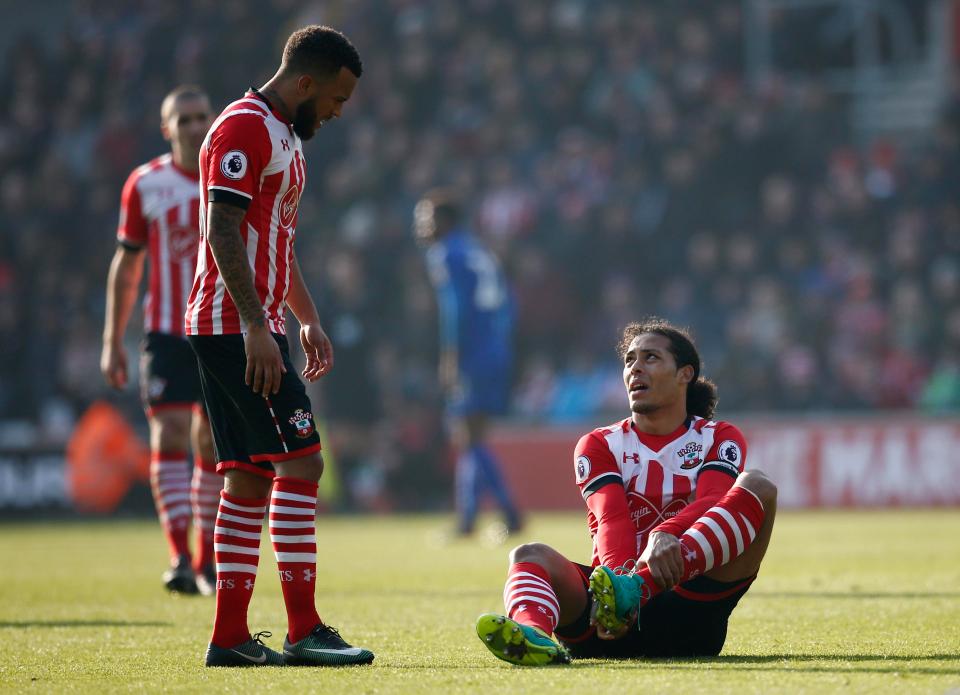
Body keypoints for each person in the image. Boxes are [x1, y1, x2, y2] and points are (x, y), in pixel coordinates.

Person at [184, 25, 373, 667]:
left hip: (245, 327)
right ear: (304, 83)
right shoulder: (244, 127)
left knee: (248, 478)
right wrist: (255, 326)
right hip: (235, 329)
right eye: (335, 98)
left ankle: (230, 638)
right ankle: (303, 629)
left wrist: (308, 318)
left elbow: (276, 242)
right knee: (303, 463)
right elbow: (222, 228)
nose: (338, 112)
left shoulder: (286, 136)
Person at [475, 318, 778, 665]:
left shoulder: (717, 436)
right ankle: (534, 635)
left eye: (650, 358)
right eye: (629, 360)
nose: (636, 368)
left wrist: (664, 536)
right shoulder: (599, 443)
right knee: (528, 555)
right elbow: (611, 519)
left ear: (685, 374)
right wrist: (617, 592)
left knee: (758, 486)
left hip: (690, 611)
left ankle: (637, 588)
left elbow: (712, 500)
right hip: (606, 618)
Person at [101, 85, 220, 596]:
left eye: (201, 117)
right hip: (167, 331)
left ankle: (208, 559)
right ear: (166, 129)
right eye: (184, 119)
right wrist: (113, 338)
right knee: (170, 433)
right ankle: (178, 555)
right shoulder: (145, 185)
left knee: (212, 442)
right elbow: (127, 266)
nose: (195, 126)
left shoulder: (229, 174)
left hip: (220, 328)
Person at [414, 189, 522, 537]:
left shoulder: (446, 252)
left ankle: (504, 513)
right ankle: (470, 518)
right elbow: (505, 302)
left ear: (443, 222)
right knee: (470, 435)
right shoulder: (476, 249)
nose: (422, 227)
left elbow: (455, 308)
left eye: (427, 219)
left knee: (468, 434)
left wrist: (451, 356)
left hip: (473, 353)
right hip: (495, 349)